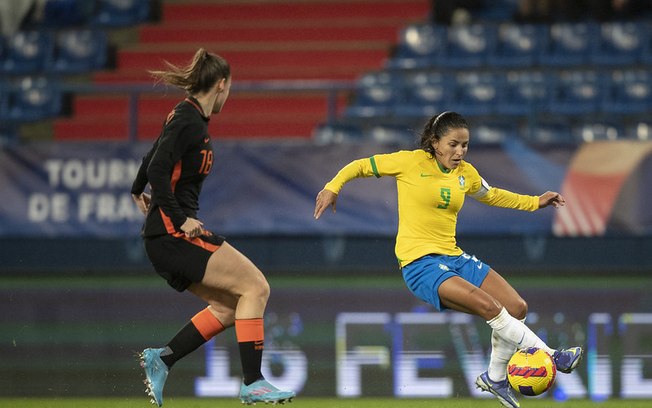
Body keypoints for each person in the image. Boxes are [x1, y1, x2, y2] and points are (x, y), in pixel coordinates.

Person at [314, 111, 582, 408]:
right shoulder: (410, 161)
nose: (460, 152)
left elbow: (491, 195)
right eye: (453, 144)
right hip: (420, 263)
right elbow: (361, 165)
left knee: (517, 307)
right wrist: (332, 186)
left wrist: (534, 202)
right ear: (435, 142)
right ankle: (551, 355)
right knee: (490, 307)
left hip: (454, 256)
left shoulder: (466, 173)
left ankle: (494, 378)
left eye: (465, 145)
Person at [131, 48, 295, 407]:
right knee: (256, 286)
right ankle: (253, 382)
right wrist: (178, 218)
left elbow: (151, 158)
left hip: (164, 237)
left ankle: (164, 358)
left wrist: (134, 190)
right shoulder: (188, 119)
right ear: (221, 84)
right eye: (230, 86)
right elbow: (158, 168)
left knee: (228, 306)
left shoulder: (185, 117)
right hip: (173, 234)